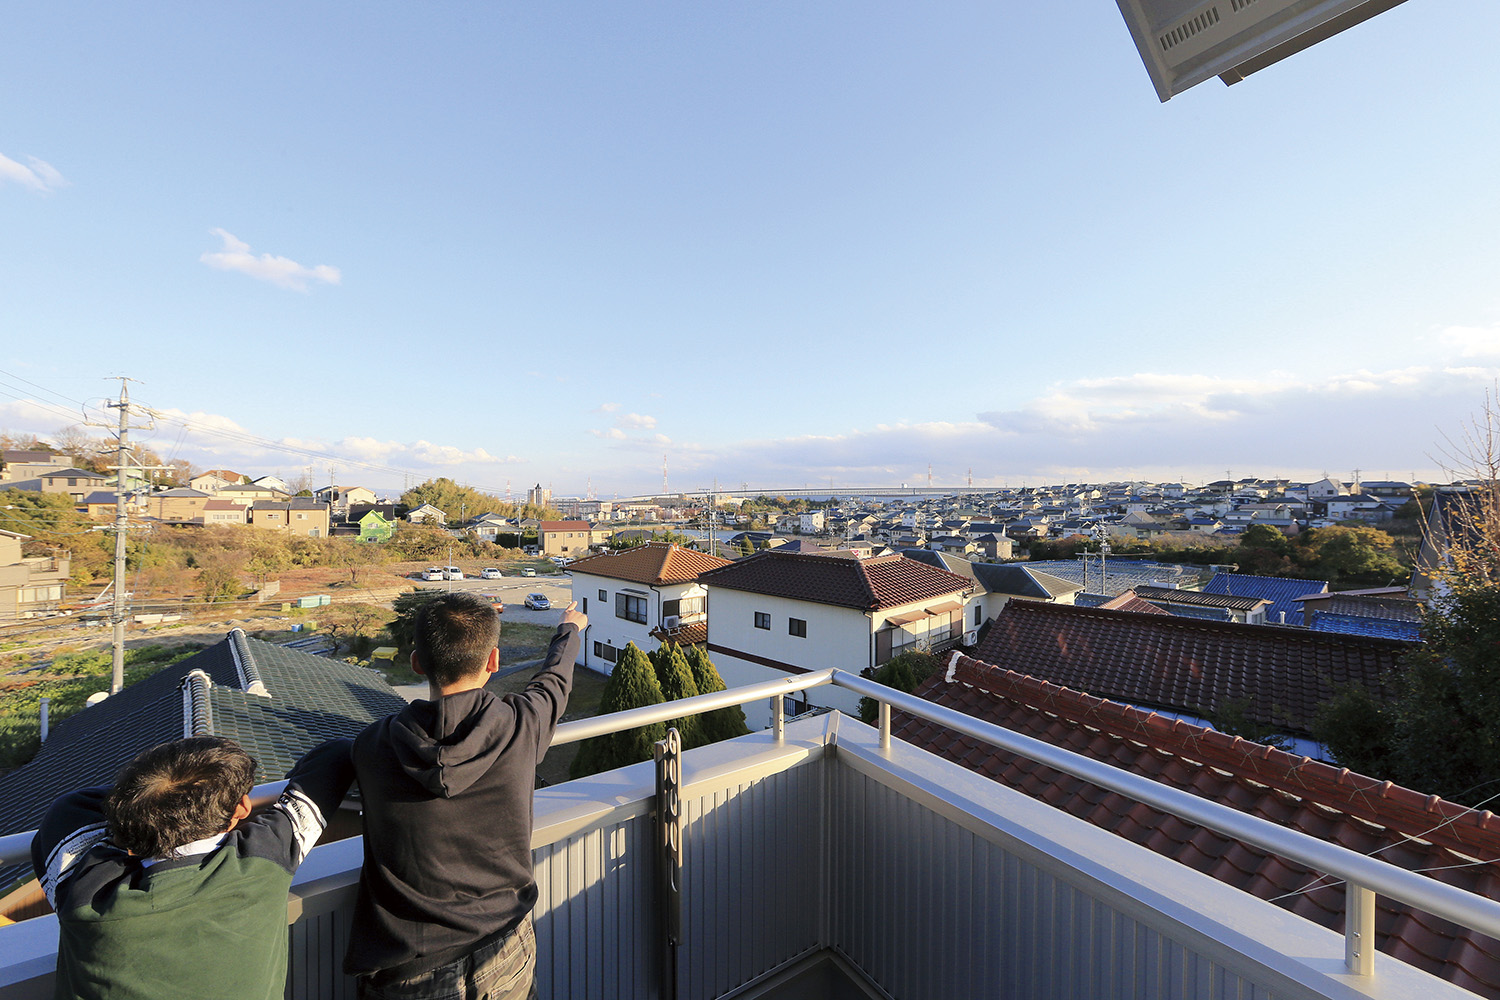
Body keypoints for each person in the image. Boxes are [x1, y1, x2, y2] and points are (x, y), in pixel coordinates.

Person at [345, 591, 585, 1000]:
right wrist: (569, 631)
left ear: (417, 662)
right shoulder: (519, 726)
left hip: (411, 971)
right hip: (505, 947)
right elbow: (552, 685)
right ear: (493, 662)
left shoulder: (372, 746)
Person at [31, 735, 355, 1000]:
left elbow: (73, 807)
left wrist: (151, 803)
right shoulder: (264, 859)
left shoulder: (87, 894)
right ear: (242, 807)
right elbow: (334, 756)